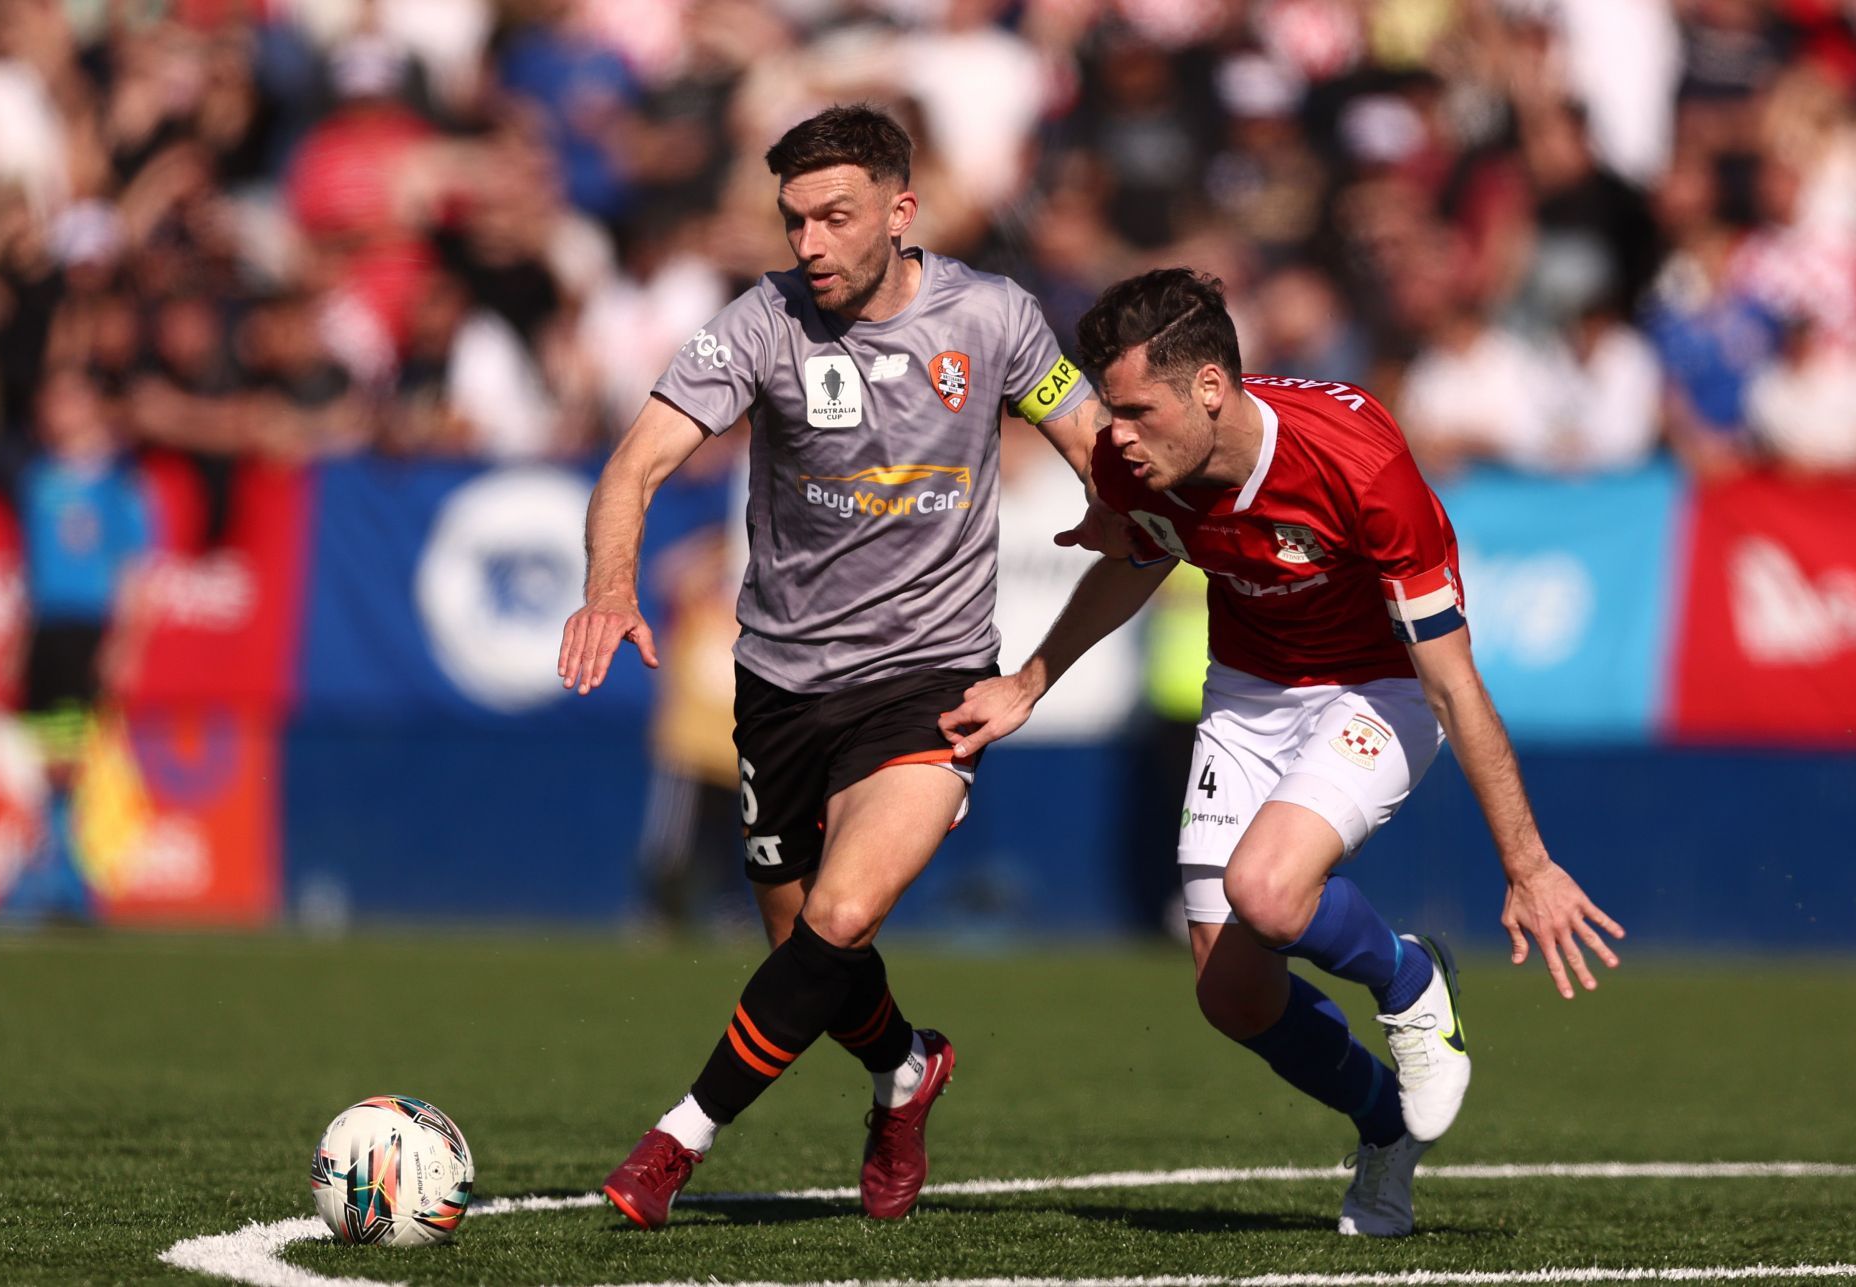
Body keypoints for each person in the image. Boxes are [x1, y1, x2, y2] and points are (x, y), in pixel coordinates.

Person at [938, 269, 1624, 1237]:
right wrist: (1028, 681)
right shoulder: (1139, 457)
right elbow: (1137, 558)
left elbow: (1452, 682)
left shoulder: (1360, 464)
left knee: (1269, 891)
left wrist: (1528, 863)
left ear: (1210, 387)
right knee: (1233, 995)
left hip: (1377, 691)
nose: (1114, 433)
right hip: (1247, 695)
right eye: (1110, 409)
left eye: (1134, 408)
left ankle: (1409, 978)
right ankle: (1385, 1129)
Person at [556, 104, 1100, 1228]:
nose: (808, 243)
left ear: (902, 215)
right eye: (793, 217)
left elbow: (1096, 438)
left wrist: (1161, 508)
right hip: (784, 688)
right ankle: (907, 1070)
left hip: (932, 678)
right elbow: (636, 463)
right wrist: (611, 583)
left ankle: (673, 1144)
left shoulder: (994, 319)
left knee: (841, 917)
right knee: (804, 946)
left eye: (834, 217)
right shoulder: (758, 325)